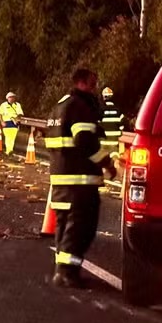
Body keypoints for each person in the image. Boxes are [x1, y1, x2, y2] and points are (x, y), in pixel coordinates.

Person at [45, 68, 117, 288]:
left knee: (65, 226)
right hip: (79, 183)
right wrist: (107, 163)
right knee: (80, 229)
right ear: (82, 83)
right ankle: (66, 273)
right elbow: (85, 141)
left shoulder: (58, 107)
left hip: (60, 180)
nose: (95, 89)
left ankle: (65, 270)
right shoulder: (80, 106)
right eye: (93, 84)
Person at [99, 86, 125, 158]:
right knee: (114, 162)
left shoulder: (100, 111)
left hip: (102, 144)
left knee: (103, 164)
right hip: (114, 143)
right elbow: (122, 127)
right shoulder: (118, 111)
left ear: (103, 97)